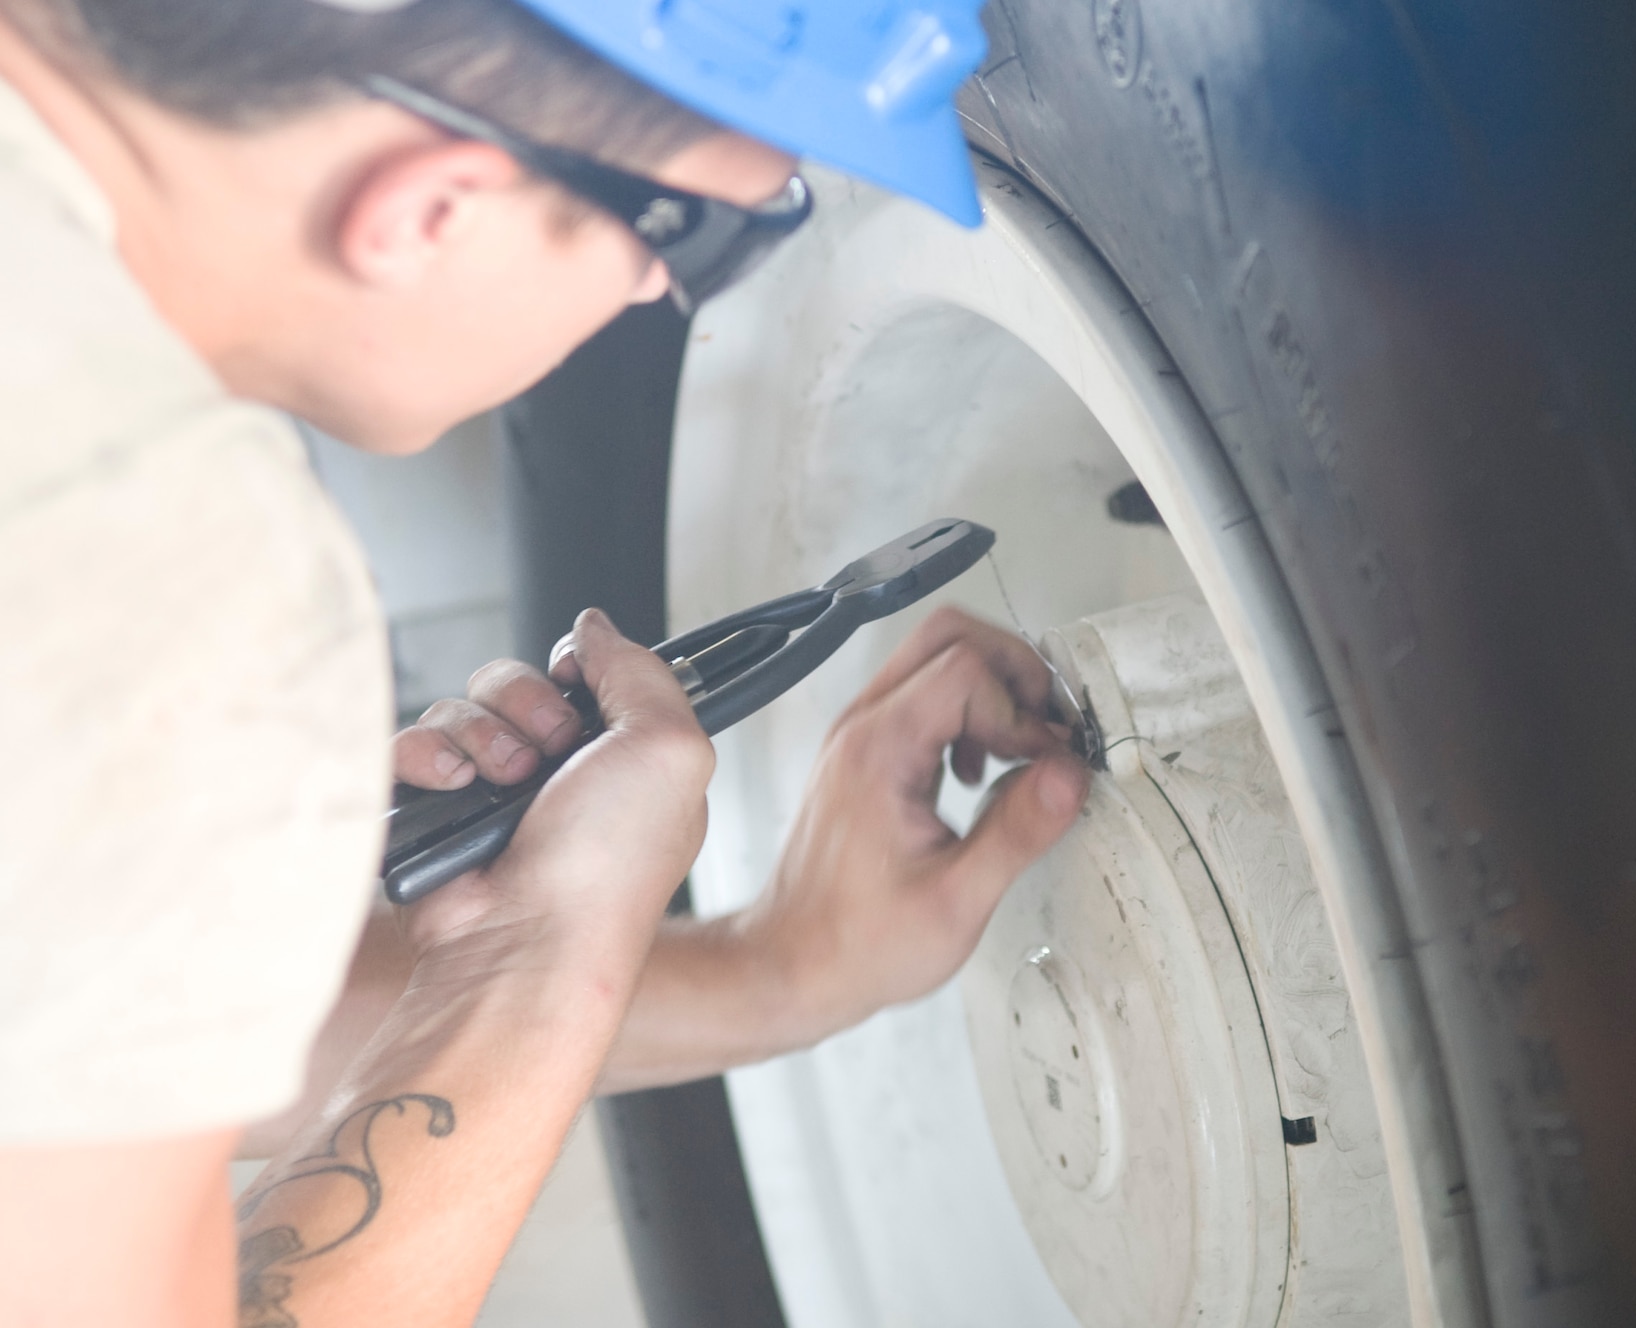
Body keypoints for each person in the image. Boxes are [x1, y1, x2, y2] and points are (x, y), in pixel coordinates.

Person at [0, 0, 1088, 1323]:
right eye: (704, 242)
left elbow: (70, 1077)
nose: (653, 295)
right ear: (433, 209)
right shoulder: (167, 570)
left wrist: (774, 966)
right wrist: (535, 960)